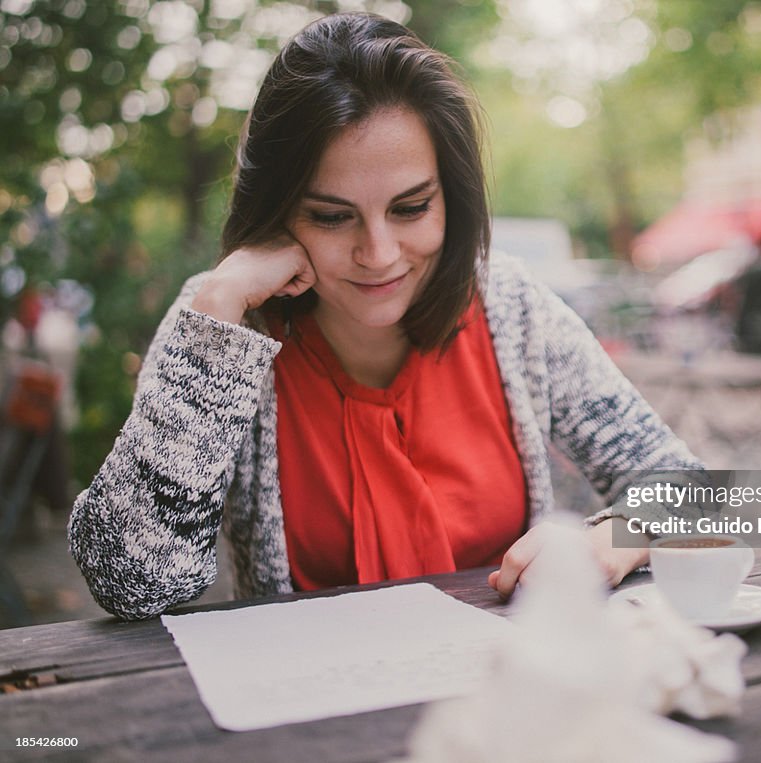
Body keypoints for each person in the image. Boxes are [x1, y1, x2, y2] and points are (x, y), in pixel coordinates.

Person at [68, 12, 707, 621]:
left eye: (410, 208)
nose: (378, 255)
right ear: (278, 213)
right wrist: (213, 317)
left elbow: (709, 496)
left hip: (505, 701)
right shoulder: (219, 326)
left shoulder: (511, 307)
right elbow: (126, 583)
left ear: (451, 200)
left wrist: (620, 534)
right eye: (330, 215)